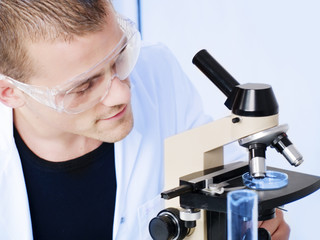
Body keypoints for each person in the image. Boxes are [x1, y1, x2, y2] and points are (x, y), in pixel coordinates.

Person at [0, 0, 290, 239]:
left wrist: (258, 220)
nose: (121, 94)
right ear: (10, 92)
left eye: (119, 57)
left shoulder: (158, 73)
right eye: (84, 86)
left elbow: (228, 174)